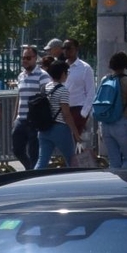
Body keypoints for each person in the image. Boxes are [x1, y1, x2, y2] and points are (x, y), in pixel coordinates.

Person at [94, 51, 127, 173]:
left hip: (105, 124)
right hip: (122, 123)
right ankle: (126, 184)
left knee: (114, 161)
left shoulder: (105, 79)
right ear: (125, 65)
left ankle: (116, 185)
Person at [54, 38, 96, 166]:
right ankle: (70, 167)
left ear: (76, 50)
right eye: (64, 48)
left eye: (69, 48)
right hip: (63, 110)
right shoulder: (61, 66)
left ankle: (83, 168)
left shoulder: (85, 68)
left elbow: (91, 92)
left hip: (78, 109)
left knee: (79, 143)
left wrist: (84, 113)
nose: (66, 51)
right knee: (66, 143)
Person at [12, 46, 53, 170]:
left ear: (35, 58)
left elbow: (46, 98)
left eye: (28, 58)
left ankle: (34, 175)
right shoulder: (21, 76)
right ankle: (30, 169)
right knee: (17, 150)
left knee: (34, 152)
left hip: (35, 121)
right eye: (23, 58)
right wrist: (14, 118)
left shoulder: (43, 76)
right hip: (21, 119)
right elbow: (19, 97)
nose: (25, 60)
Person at [37, 46, 74, 169]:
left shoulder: (45, 88)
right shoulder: (63, 90)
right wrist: (76, 133)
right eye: (66, 72)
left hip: (44, 129)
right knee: (71, 160)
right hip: (60, 129)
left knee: (42, 161)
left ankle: (34, 181)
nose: (67, 74)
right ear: (63, 73)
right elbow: (66, 114)